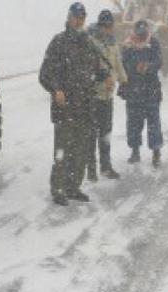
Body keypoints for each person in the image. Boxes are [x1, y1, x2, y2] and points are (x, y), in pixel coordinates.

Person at [39, 2, 111, 206]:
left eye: (82, 17)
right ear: (69, 17)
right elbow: (45, 74)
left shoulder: (88, 43)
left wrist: (106, 76)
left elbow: (97, 68)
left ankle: (73, 187)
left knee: (80, 151)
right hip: (65, 108)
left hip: (85, 107)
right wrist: (56, 90)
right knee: (62, 151)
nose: (79, 21)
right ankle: (58, 189)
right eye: (76, 17)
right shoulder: (58, 42)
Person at [86, 9, 128, 182]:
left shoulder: (112, 42)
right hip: (93, 95)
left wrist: (124, 81)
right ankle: (91, 169)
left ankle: (106, 166)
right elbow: (88, 67)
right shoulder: (90, 41)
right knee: (91, 134)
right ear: (100, 25)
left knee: (105, 134)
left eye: (111, 26)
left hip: (107, 97)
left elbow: (117, 63)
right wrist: (101, 80)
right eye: (106, 26)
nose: (109, 29)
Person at [121, 20, 164, 168]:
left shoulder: (153, 42)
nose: (141, 38)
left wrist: (148, 67)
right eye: (139, 35)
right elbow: (122, 64)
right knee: (133, 123)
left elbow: (159, 61)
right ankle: (135, 151)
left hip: (151, 90)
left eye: (143, 35)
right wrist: (134, 67)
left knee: (154, 123)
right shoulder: (127, 45)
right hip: (133, 91)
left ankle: (156, 153)